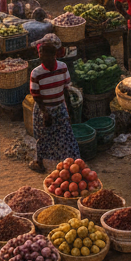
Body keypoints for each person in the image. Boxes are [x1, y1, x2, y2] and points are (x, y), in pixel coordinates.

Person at [27, 41, 80, 173]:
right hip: (43, 108)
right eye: (40, 55)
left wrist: (69, 110)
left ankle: (72, 164)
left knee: (66, 136)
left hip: (59, 107)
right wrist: (45, 113)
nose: (41, 58)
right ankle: (40, 163)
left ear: (54, 55)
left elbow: (66, 89)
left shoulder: (63, 67)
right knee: (42, 137)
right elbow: (36, 95)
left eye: (45, 56)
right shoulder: (36, 73)